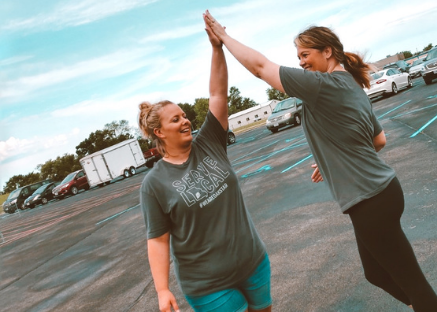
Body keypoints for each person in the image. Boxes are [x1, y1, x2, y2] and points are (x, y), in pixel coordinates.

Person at [203, 10, 437, 312]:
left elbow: (261, 68)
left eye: (305, 54)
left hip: (371, 199)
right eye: (297, 56)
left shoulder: (323, 86)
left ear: (327, 51)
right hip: (379, 193)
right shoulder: (351, 85)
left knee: (414, 283)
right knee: (376, 273)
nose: (300, 62)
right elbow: (379, 140)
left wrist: (223, 38)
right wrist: (334, 159)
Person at [137, 18, 272, 312]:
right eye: (176, 119)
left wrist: (217, 48)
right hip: (208, 285)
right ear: (159, 132)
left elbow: (217, 94)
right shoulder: (154, 184)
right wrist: (162, 289)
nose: (185, 120)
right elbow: (158, 240)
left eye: (184, 115)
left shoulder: (210, 141)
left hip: (253, 262)